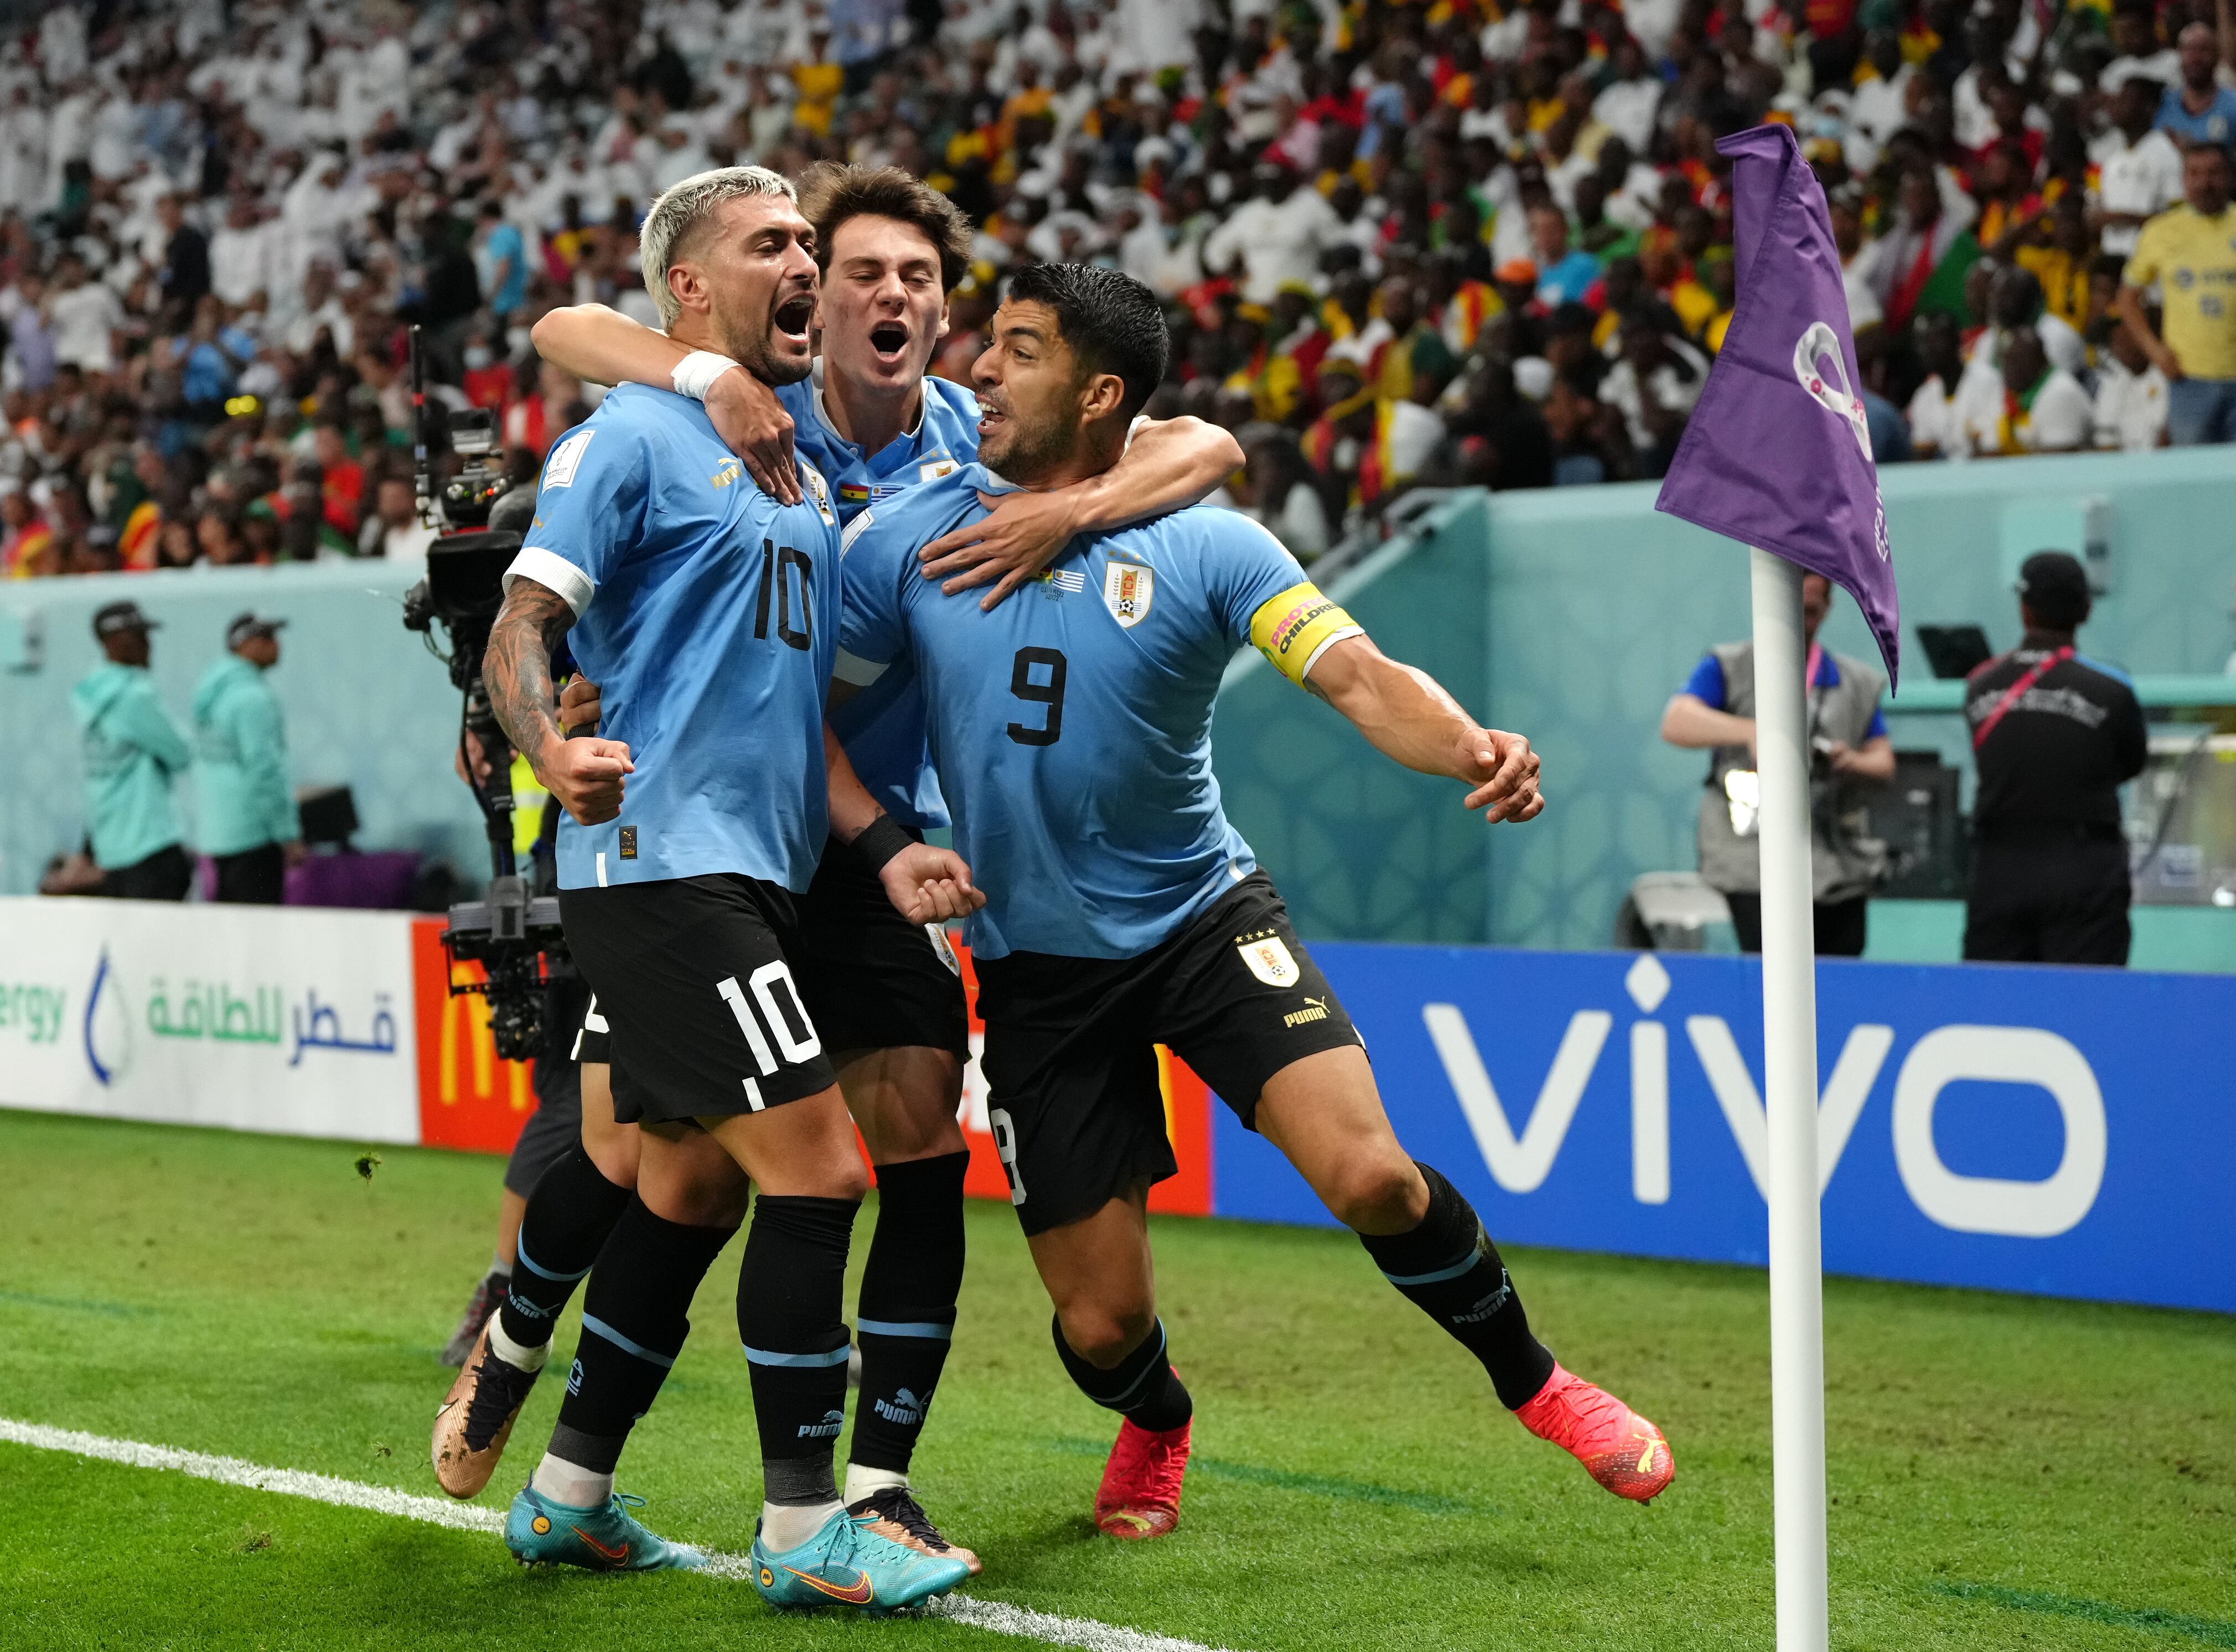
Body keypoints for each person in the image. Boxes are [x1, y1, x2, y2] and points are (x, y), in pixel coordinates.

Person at [834, 263, 1673, 1537]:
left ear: (1102, 391)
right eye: (984, 344)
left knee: (1376, 1177)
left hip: (1201, 920)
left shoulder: (1209, 540)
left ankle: (1540, 1382)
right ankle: (1158, 1418)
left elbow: (1357, 672)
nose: (979, 369)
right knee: (1098, 1324)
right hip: (1033, 967)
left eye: (1017, 349)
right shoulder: (908, 535)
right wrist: (887, 836)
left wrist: (1473, 748)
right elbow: (803, 716)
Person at [514, 162, 1240, 1571]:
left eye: (920, 278)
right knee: (663, 1162)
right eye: (851, 268)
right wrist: (695, 367)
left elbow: (1201, 443)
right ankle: (537, 1358)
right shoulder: (718, 413)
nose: (887, 293)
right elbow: (563, 330)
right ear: (813, 295)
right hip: (698, 837)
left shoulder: (970, 437)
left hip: (863, 842)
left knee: (906, 1143)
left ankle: (860, 1481)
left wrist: (1061, 516)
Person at [441, 165, 980, 1615]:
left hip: (772, 870)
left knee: (674, 1177)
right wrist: (550, 746)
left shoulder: (799, 443)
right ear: (689, 287)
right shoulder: (632, 436)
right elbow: (522, 621)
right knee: (817, 1172)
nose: (807, 261)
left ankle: (567, 1497)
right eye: (775, 246)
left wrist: (876, 844)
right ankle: (806, 1524)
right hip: (662, 862)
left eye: (814, 241)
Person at [1659, 573, 1895, 956]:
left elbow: (1884, 762)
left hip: (1834, 860)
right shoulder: (1729, 665)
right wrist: (1752, 732)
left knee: (1837, 975)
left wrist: (1848, 760)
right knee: (1769, 968)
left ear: (1828, 607)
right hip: (1750, 855)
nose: (1802, 622)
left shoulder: (1856, 681)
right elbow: (1676, 721)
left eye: (1811, 611)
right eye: (1792, 609)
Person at [1962, 552, 2147, 965]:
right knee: (2086, 1006)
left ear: (2024, 608)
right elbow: (2132, 763)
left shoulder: (1980, 687)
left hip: (1999, 869)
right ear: (2086, 609)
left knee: (1997, 1007)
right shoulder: (2112, 691)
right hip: (2086, 873)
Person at [2116, 143, 2236, 446]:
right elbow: (2127, 298)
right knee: (2195, 481)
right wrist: (2155, 351)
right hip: (2190, 380)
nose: (2204, 183)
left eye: (2214, 173)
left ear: (2229, 177)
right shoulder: (2161, 231)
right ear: (2183, 180)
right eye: (2194, 174)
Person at [72, 600, 193, 901]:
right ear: (112, 642)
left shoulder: (89, 695)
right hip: (150, 844)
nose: (148, 644)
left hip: (112, 849)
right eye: (138, 636)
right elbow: (181, 753)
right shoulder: (134, 696)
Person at [191, 612, 303, 904]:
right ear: (247, 645)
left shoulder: (212, 692)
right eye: (267, 638)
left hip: (217, 834)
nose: (276, 645)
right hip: (254, 835)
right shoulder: (252, 699)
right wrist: (287, 833)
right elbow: (264, 771)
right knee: (261, 935)